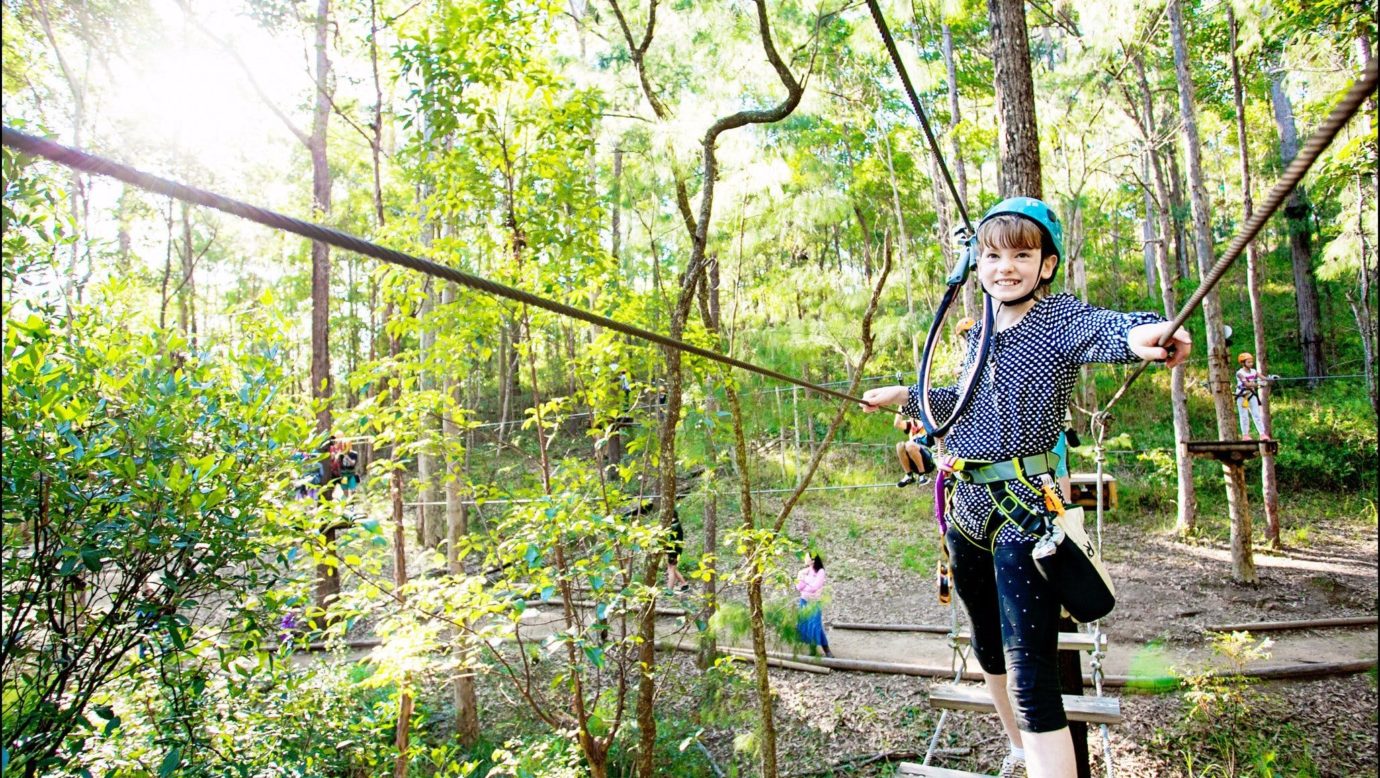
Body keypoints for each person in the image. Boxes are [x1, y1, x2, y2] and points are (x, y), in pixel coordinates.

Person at [860, 197, 1190, 778]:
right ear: (977, 263)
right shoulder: (975, 333)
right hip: (964, 508)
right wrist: (905, 396)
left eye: (1021, 254)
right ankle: (1018, 746)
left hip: (1026, 510)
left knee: (1030, 665)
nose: (1004, 266)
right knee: (987, 643)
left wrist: (1152, 335)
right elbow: (968, 407)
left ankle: (1043, 758)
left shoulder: (1059, 320)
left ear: (1046, 265)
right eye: (991, 255)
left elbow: (1113, 331)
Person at [795, 553, 833, 658]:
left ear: (812, 559)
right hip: (804, 600)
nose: (805, 558)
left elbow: (815, 587)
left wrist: (805, 579)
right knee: (806, 625)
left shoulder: (820, 572)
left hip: (814, 602)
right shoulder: (804, 571)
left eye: (806, 556)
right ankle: (812, 650)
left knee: (815, 625)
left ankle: (827, 650)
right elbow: (799, 587)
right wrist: (802, 579)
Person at [1235, 352, 1267, 439]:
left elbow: (1263, 378)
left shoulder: (1254, 371)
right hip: (1242, 396)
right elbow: (1247, 384)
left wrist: (1270, 378)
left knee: (1256, 414)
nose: (1251, 364)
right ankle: (1245, 435)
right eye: (1248, 362)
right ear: (1242, 363)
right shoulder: (1239, 373)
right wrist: (1260, 384)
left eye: (1251, 362)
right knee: (1244, 415)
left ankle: (1262, 434)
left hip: (1251, 395)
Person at [665, 510, 690, 592]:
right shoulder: (674, 525)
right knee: (671, 569)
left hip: (674, 551)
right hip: (672, 551)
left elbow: (671, 540)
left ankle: (669, 590)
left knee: (671, 570)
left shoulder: (675, 526)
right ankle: (684, 584)